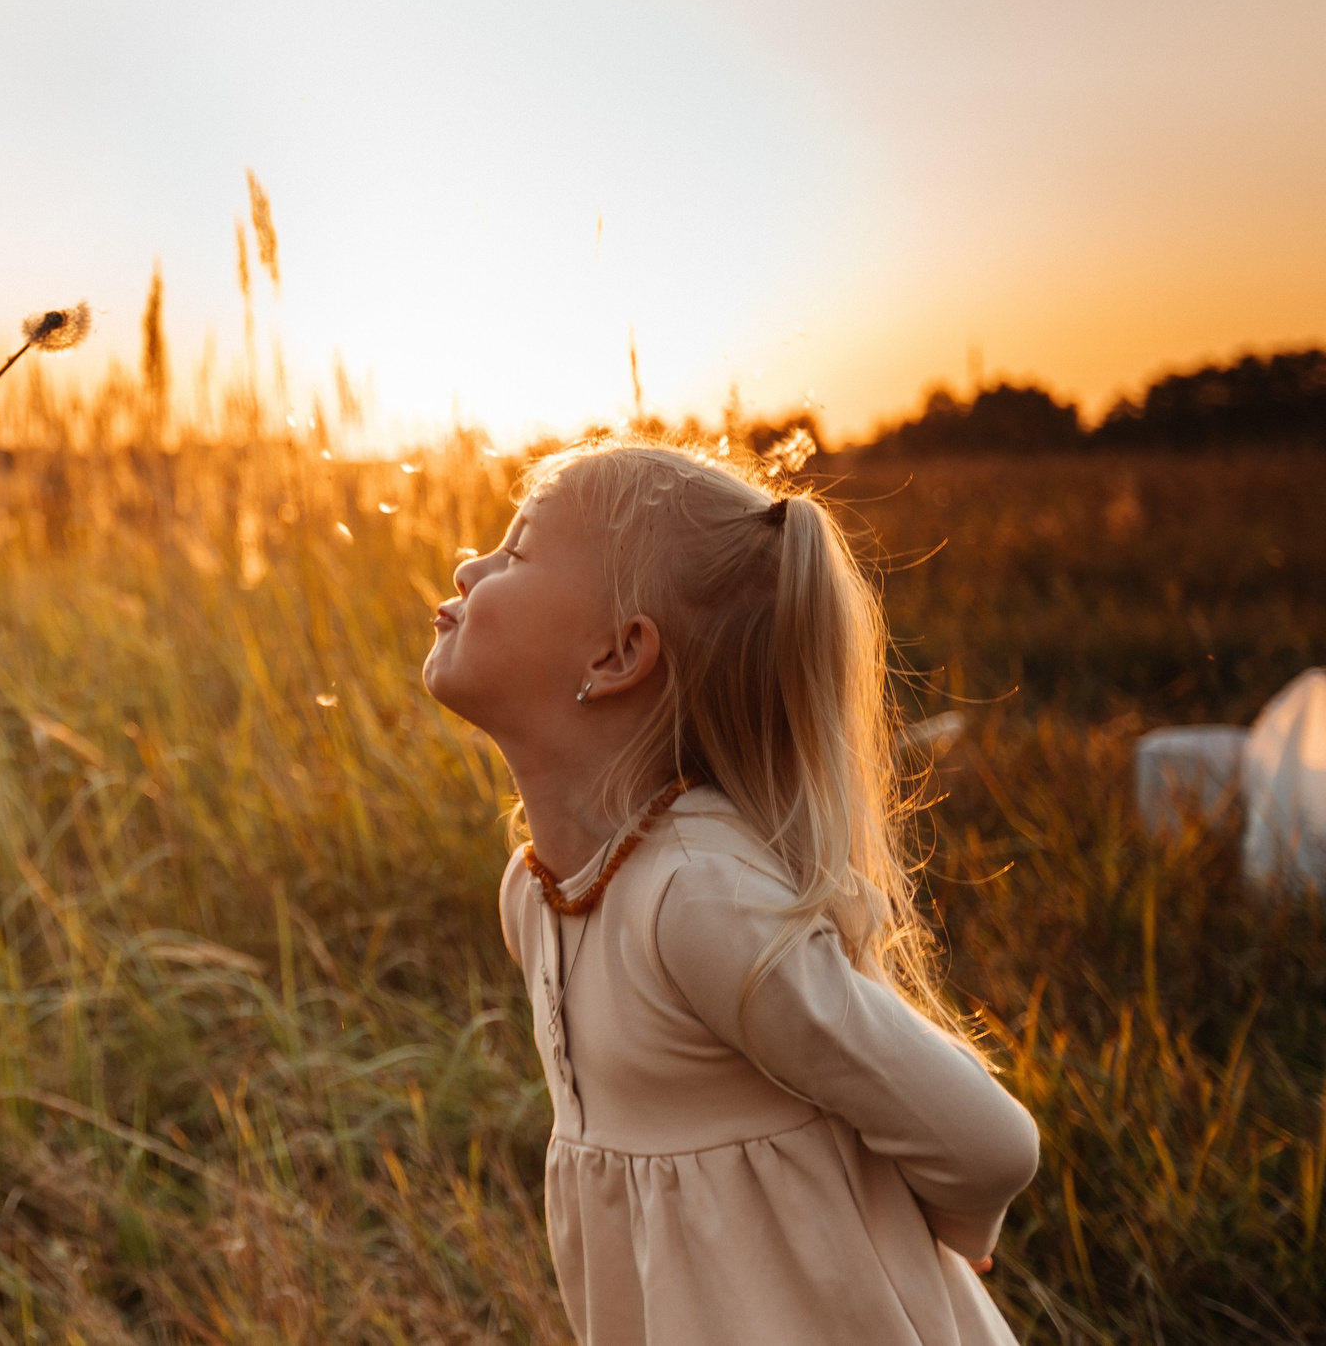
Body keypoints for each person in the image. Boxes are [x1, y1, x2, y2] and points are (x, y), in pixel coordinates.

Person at [421, 437, 1039, 1345]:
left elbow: (990, 1141)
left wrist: (948, 1234)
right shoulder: (537, 894)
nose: (470, 566)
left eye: (514, 552)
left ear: (618, 653)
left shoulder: (697, 895)